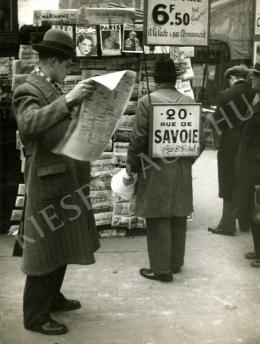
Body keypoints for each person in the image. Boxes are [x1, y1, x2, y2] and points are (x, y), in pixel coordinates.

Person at [12, 29, 100, 335]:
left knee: (61, 245)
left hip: (63, 178)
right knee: (44, 250)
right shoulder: (28, 89)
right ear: (51, 62)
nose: (68, 72)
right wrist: (69, 101)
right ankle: (35, 315)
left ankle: (53, 297)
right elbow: (28, 124)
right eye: (65, 66)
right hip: (48, 182)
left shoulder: (50, 86)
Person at [125, 58, 204, 283]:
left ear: (156, 78)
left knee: (158, 216)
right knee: (178, 213)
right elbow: (200, 140)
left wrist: (131, 166)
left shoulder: (147, 101)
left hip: (155, 169)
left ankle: (161, 269)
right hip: (181, 168)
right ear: (175, 78)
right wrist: (187, 160)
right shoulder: (189, 101)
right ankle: (175, 262)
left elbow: (138, 138)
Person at [208, 66, 255, 236]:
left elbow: (217, 123)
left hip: (229, 144)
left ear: (232, 77)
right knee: (246, 181)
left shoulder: (225, 95)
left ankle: (227, 224)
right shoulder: (254, 93)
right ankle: (246, 222)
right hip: (250, 144)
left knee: (228, 181)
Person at [237, 62, 260, 267]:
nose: (252, 80)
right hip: (251, 165)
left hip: (257, 167)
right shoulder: (256, 99)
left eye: (255, 77)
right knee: (255, 211)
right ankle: (258, 250)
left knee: (259, 211)